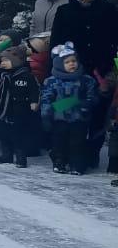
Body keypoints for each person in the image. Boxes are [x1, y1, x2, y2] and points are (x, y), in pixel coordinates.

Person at [49, 0, 118, 167]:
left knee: (97, 113)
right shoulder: (65, 11)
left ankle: (91, 152)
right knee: (68, 110)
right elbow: (56, 42)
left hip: (101, 71)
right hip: (71, 70)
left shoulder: (109, 10)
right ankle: (65, 152)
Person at [40, 42, 101, 175]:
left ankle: (77, 165)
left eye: (74, 61)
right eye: (67, 62)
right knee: (59, 142)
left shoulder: (86, 80)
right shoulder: (52, 81)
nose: (72, 64)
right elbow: (46, 99)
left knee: (78, 143)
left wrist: (83, 104)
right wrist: (46, 114)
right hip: (59, 118)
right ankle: (59, 162)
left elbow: (93, 98)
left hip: (79, 118)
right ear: (59, 64)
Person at [0, 45, 39, 168]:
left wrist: (34, 102)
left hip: (20, 109)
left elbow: (34, 89)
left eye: (6, 61)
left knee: (18, 135)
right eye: (2, 61)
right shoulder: (2, 76)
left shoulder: (26, 76)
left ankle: (21, 158)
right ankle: (6, 155)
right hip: (3, 110)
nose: (3, 63)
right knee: (4, 133)